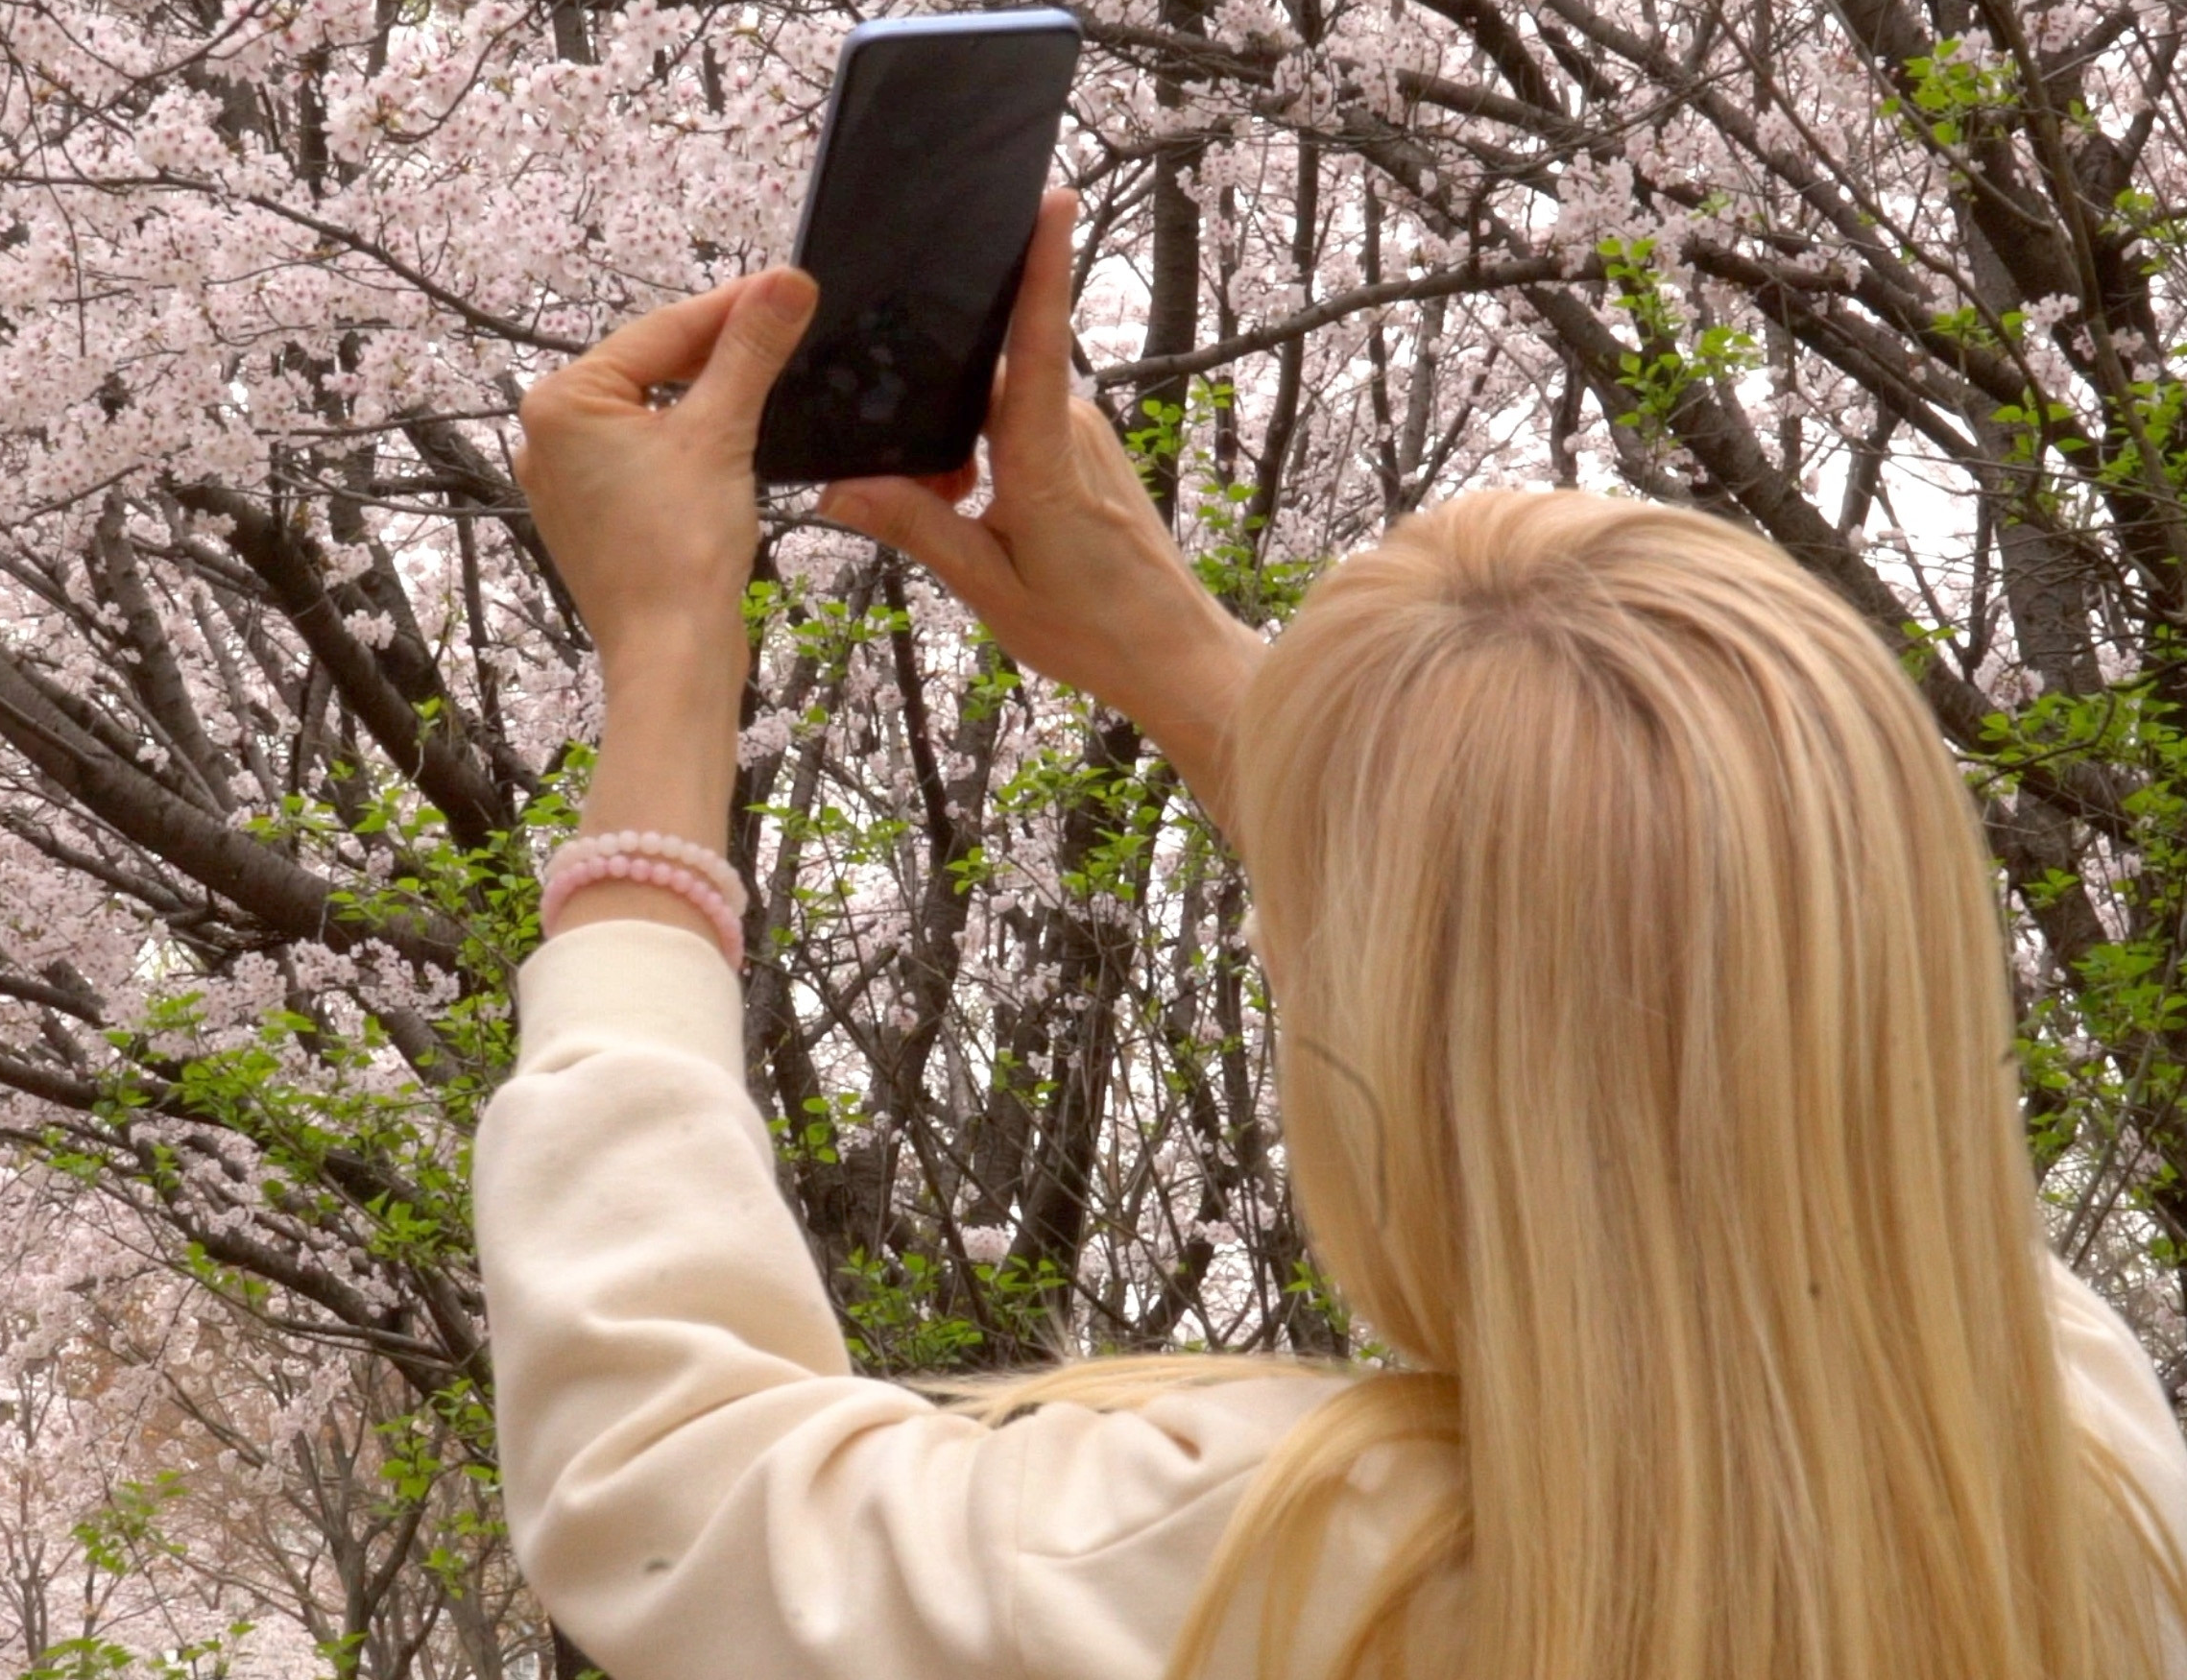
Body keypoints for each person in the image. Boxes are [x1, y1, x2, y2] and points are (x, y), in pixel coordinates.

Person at [484, 188, 2187, 1680]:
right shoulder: (2086, 1473)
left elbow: (661, 1476)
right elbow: (1705, 1005)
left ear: (1382, 1023)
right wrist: (1187, 660)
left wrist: (667, 645)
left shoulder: (1268, 1556)